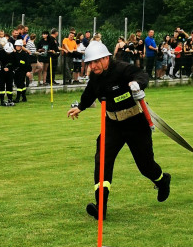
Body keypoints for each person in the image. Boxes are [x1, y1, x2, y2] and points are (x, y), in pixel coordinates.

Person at [67, 40, 170, 219]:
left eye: (96, 62)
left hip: (136, 122)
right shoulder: (95, 77)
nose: (93, 66)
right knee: (102, 162)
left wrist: (137, 84)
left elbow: (141, 75)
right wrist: (81, 107)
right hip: (113, 124)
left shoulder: (122, 69)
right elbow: (90, 92)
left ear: (106, 58)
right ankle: (101, 208)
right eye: (90, 63)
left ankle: (162, 181)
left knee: (145, 166)